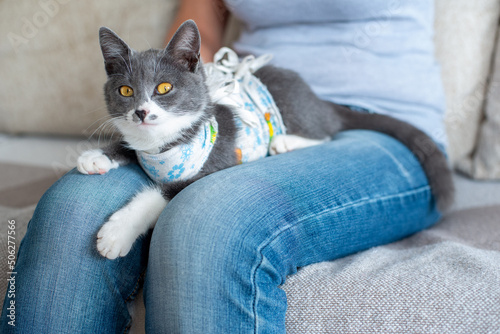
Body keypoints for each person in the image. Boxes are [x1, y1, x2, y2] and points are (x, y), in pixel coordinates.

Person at [1, 0, 447, 333]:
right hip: (240, 99)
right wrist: (187, 97)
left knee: (207, 219)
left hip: (373, 128)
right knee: (72, 210)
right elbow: (197, 44)